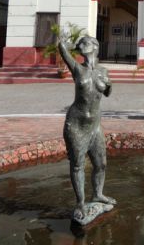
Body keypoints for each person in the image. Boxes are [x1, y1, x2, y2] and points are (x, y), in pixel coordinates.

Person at [58, 36, 116, 223]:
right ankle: (80, 202)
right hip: (76, 125)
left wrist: (109, 87)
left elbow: (106, 92)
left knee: (101, 164)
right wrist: (66, 44)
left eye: (84, 43)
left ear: (95, 47)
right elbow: (63, 50)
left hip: (95, 126)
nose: (80, 46)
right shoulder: (77, 68)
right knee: (77, 165)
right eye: (79, 43)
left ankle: (98, 194)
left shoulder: (103, 71)